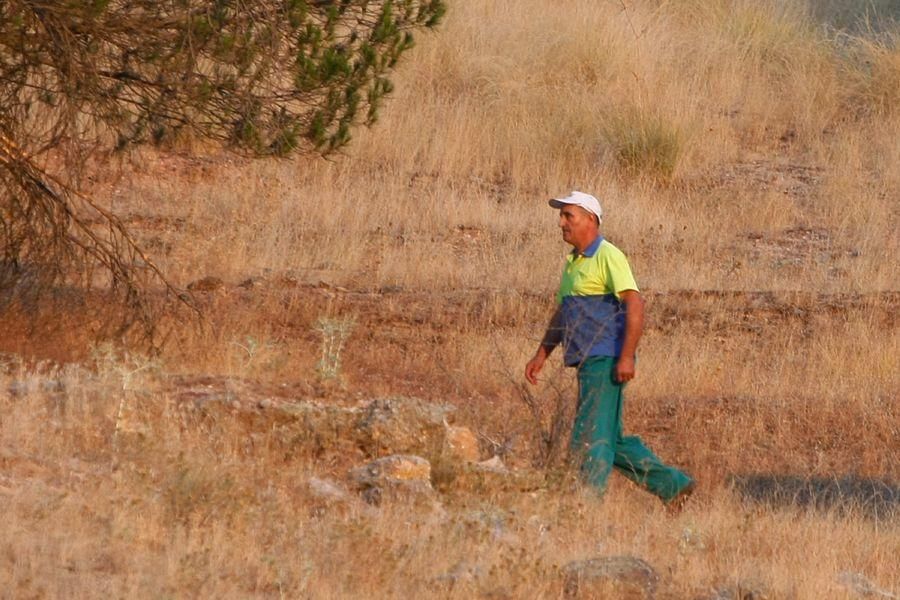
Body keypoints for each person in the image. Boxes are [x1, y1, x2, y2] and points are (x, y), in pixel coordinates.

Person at [525, 191, 694, 507]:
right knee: (611, 441)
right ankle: (673, 485)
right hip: (588, 360)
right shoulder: (573, 263)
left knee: (590, 436)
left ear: (591, 220)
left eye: (568, 216)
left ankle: (586, 506)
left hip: (604, 358)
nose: (561, 223)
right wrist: (542, 354)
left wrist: (627, 355)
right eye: (561, 216)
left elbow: (635, 303)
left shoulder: (608, 256)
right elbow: (563, 313)